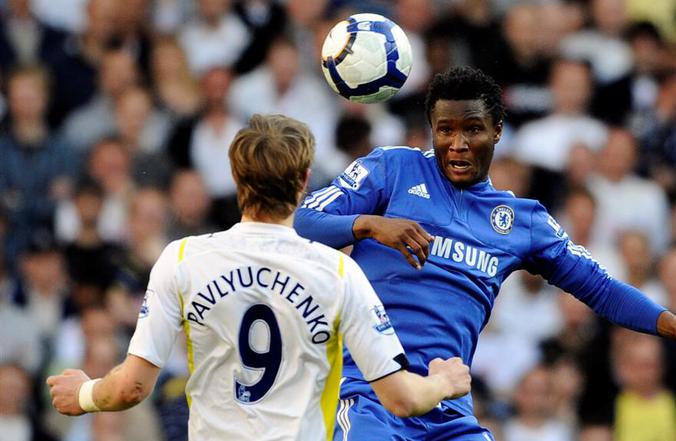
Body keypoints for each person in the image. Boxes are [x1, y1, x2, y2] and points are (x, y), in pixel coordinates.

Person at [294, 66, 676, 440]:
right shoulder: (392, 169)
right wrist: (369, 224)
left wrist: (669, 323)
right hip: (369, 395)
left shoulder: (521, 222)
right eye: (444, 130)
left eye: (472, 129)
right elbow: (299, 222)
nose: (457, 143)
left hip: (446, 409)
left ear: (497, 131)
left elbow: (599, 287)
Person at [47, 114, 472, 440]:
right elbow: (401, 399)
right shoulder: (339, 273)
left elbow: (131, 388)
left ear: (235, 176)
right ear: (305, 182)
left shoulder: (183, 258)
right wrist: (443, 382)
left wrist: (85, 394)